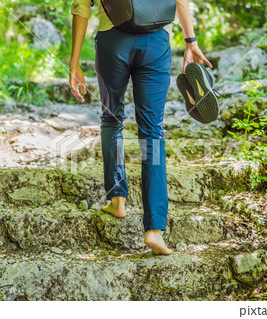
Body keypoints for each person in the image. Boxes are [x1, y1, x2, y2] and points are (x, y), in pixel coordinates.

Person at [69, 0, 212, 255]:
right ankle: (155, 231)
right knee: (153, 133)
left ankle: (117, 200)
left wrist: (74, 62)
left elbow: (81, 7)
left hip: (113, 40)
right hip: (156, 41)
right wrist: (191, 41)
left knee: (112, 120)